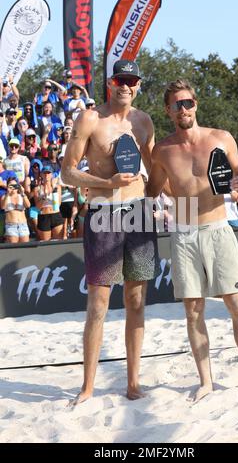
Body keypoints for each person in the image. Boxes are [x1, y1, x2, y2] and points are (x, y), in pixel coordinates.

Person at [146, 79, 238, 403]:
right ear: (168, 110)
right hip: (184, 231)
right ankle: (206, 382)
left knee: (237, 305)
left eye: (188, 102)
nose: (183, 108)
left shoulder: (221, 138)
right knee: (193, 311)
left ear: (196, 104)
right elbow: (153, 189)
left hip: (217, 225)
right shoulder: (163, 149)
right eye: (177, 104)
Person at [61, 59, 160, 405]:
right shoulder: (90, 118)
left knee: (136, 301)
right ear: (110, 81)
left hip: (139, 213)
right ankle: (87, 387)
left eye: (132, 80)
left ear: (137, 85)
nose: (126, 85)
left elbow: (155, 171)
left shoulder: (143, 121)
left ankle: (133, 383)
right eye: (121, 78)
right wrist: (107, 182)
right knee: (98, 304)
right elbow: (67, 173)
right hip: (104, 213)